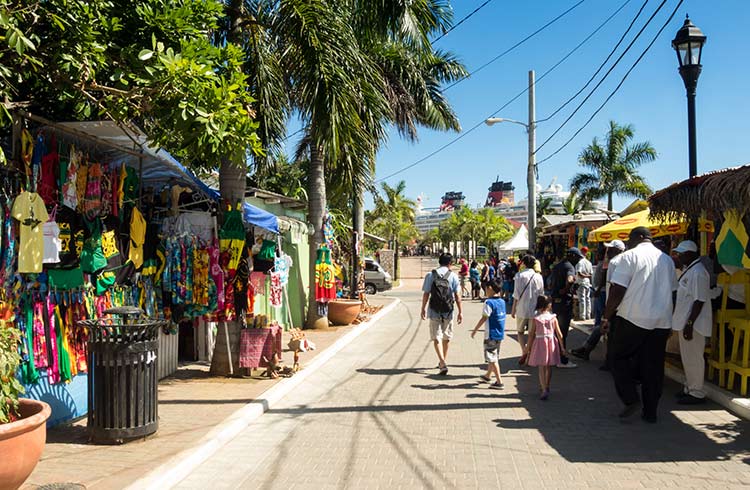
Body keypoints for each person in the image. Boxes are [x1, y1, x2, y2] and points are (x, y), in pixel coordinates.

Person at [602, 227, 676, 423]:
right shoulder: (667, 260)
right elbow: (673, 293)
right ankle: (650, 412)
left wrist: (606, 317)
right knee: (653, 366)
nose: (629, 243)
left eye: (630, 239)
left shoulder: (629, 257)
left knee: (617, 357)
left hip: (633, 318)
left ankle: (630, 398)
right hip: (661, 321)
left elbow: (617, 290)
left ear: (638, 238)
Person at [571, 240, 625, 363]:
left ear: (618, 250)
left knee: (605, 329)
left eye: (610, 249)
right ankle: (588, 350)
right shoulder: (616, 262)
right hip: (616, 304)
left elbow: (614, 287)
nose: (608, 251)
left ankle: (606, 359)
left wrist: (607, 313)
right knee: (604, 330)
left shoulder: (615, 262)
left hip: (615, 305)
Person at [672, 240, 710, 405]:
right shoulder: (691, 270)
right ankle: (690, 387)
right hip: (686, 322)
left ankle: (697, 392)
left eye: (680, 254)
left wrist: (690, 324)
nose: (678, 257)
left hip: (694, 324)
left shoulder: (699, 273)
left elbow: (699, 300)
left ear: (690, 254)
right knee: (687, 358)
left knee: (694, 358)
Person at [421, 253, 463, 375]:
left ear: (439, 262)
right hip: (448, 310)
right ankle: (443, 361)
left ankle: (442, 362)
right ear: (450, 263)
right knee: (446, 337)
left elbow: (426, 294)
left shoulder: (430, 275)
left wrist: (423, 308)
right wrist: (460, 312)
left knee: (436, 337)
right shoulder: (453, 276)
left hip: (434, 310)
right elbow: (458, 296)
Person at [526, 295, 567, 400]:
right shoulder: (553, 318)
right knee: (549, 366)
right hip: (551, 341)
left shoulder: (536, 319)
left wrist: (528, 347)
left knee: (541, 367)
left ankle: (543, 388)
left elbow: (531, 334)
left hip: (540, 342)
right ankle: (547, 386)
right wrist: (562, 347)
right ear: (549, 305)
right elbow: (559, 334)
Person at [548, 248, 583, 368]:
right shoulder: (569, 267)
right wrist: (567, 288)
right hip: (564, 302)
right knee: (562, 332)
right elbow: (569, 279)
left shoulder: (558, 266)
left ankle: (554, 356)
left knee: (556, 331)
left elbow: (550, 281)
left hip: (556, 302)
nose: (578, 260)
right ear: (572, 256)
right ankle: (562, 359)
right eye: (578, 258)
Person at [470, 277, 506, 389]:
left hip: (490, 334)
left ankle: (499, 381)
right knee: (494, 355)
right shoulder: (502, 301)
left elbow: (484, 318)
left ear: (489, 288)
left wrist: (475, 330)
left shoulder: (488, 302)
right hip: (499, 334)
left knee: (492, 357)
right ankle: (487, 375)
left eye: (485, 288)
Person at [512, 254, 544, 364]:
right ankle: (529, 353)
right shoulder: (539, 277)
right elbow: (541, 294)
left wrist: (513, 310)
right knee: (532, 334)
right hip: (535, 309)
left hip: (521, 308)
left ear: (524, 263)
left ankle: (523, 351)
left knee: (520, 332)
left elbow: (516, 295)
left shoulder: (519, 275)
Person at [576, 246, 593, 320]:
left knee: (582, 299)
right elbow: (591, 274)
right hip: (588, 283)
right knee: (587, 299)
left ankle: (582, 316)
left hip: (581, 283)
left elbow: (579, 274)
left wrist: (585, 276)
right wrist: (588, 276)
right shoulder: (589, 263)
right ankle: (588, 315)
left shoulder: (580, 262)